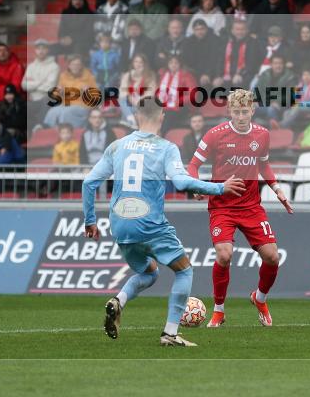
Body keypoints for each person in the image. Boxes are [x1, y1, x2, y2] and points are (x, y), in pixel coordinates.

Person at [83, 97, 246, 347]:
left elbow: (88, 183)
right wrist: (220, 187)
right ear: (161, 117)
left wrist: (90, 221)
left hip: (120, 223)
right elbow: (181, 182)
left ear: (137, 116)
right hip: (149, 223)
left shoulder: (116, 146)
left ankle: (119, 300)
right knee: (184, 270)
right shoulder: (165, 147)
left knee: (148, 272)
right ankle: (170, 333)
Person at [186, 89, 293, 329]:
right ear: (229, 112)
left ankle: (260, 298)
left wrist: (277, 189)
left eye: (245, 111)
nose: (241, 116)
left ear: (253, 111)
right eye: (236, 111)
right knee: (224, 255)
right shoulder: (215, 135)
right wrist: (196, 186)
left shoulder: (262, 135)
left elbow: (263, 164)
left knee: (272, 257)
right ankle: (219, 311)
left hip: (251, 206)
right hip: (222, 206)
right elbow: (193, 165)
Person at [44, 54, 97, 128]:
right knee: (53, 111)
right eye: (73, 64)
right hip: (65, 104)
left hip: (82, 106)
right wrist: (59, 91)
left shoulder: (89, 76)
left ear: (81, 66)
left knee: (66, 113)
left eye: (78, 64)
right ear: (69, 66)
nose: (75, 67)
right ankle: (48, 130)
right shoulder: (63, 76)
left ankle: (64, 132)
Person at [118, 53, 158, 126]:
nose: (138, 64)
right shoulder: (128, 75)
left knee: (126, 109)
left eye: (140, 62)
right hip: (130, 104)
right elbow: (122, 91)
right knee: (122, 100)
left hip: (143, 104)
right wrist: (129, 97)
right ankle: (130, 118)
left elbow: (150, 94)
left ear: (144, 64)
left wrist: (137, 100)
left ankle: (129, 119)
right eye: (136, 62)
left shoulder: (150, 76)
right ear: (133, 63)